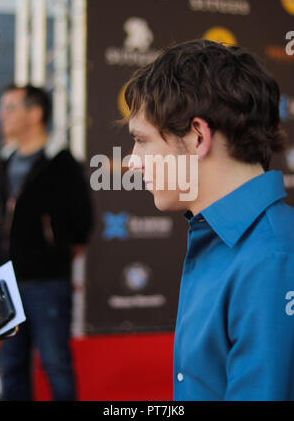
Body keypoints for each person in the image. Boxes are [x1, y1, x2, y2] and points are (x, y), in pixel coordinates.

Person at [125, 40, 294, 401]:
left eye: (142, 141)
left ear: (198, 136)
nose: (132, 161)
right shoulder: (225, 237)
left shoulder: (273, 258)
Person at [0, 84, 93, 401]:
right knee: (9, 365)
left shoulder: (62, 163)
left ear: (35, 113)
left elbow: (83, 224)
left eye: (10, 107)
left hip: (47, 282)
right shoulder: (2, 162)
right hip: (3, 283)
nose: (2, 115)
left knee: (55, 364)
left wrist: (53, 256)